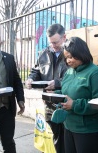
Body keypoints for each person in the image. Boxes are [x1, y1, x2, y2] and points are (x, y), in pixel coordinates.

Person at [54, 37, 98, 153]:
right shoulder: (69, 72)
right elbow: (66, 93)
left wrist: (74, 105)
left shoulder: (96, 74)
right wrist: (55, 95)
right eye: (66, 58)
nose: (68, 61)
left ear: (81, 53)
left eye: (71, 57)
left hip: (88, 129)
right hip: (69, 125)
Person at [25, 23, 68, 153]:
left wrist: (57, 83)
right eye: (51, 43)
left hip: (66, 102)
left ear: (64, 37)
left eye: (56, 42)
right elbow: (36, 70)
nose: (53, 46)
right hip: (49, 102)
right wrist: (31, 78)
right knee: (56, 137)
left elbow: (77, 76)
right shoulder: (44, 53)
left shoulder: (71, 53)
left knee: (68, 138)